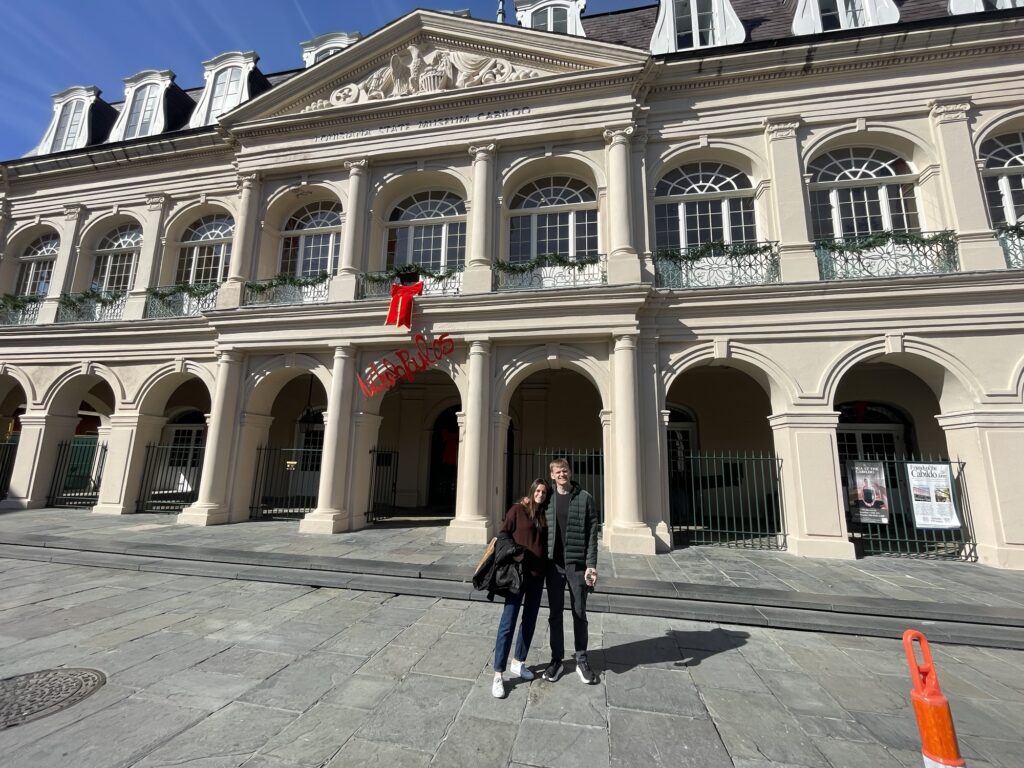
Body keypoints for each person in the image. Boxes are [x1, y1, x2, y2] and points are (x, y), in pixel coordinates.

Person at [543, 458, 599, 685]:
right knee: (555, 614)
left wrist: (591, 564)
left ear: (570, 472)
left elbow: (592, 533)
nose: (562, 474)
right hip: (553, 566)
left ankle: (581, 659)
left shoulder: (584, 498)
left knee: (579, 612)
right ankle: (556, 659)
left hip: (577, 566)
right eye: (557, 471)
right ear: (552, 476)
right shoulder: (547, 499)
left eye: (564, 470)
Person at [491, 478, 549, 699]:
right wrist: (514, 551)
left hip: (537, 576)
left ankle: (519, 661)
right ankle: (498, 674)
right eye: (538, 491)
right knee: (508, 621)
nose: (541, 495)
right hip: (518, 575)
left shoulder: (544, 514)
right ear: (532, 491)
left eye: (544, 492)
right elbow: (503, 534)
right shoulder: (517, 509)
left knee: (530, 620)